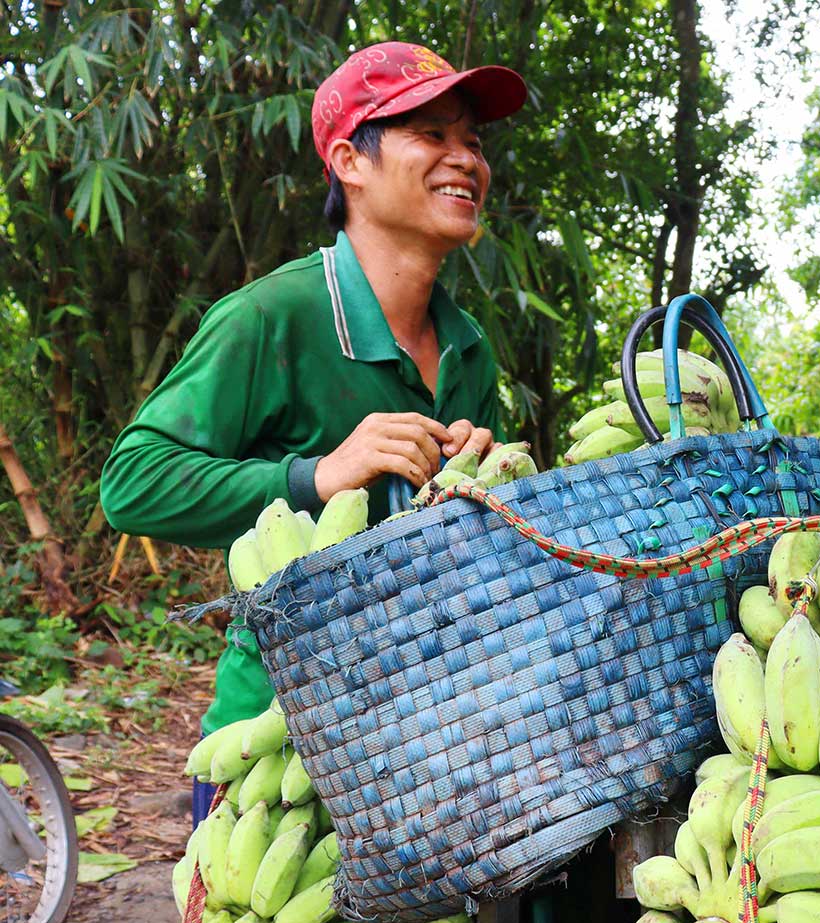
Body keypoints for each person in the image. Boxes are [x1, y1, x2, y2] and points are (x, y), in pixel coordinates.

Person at [101, 43, 528, 825]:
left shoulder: (469, 346)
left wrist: (488, 479)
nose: (464, 158)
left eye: (472, 141)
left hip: (433, 739)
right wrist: (316, 477)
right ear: (349, 162)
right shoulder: (272, 317)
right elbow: (132, 482)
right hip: (278, 749)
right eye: (431, 135)